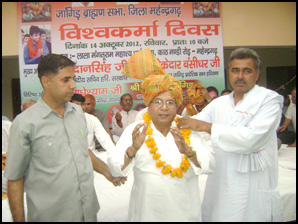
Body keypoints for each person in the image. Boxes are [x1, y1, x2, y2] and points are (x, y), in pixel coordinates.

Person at [4, 54, 126, 222]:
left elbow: (82, 152)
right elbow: (14, 178)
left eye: (74, 78)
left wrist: (108, 173)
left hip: (87, 211)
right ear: (46, 82)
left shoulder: (77, 113)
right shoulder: (25, 123)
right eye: (66, 80)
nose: (73, 85)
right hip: (52, 216)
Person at [177, 48, 284, 222]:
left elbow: (251, 139)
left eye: (247, 70)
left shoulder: (269, 100)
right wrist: (163, 114)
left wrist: (205, 126)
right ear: (230, 73)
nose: (240, 76)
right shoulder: (219, 103)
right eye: (235, 70)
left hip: (254, 186)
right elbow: (192, 123)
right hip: (222, 181)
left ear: (257, 74)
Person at [107, 48, 214, 222]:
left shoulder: (186, 129)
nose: (164, 107)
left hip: (185, 213)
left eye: (170, 102)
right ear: (148, 104)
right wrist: (132, 150)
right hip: (146, 213)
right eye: (158, 102)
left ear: (176, 105)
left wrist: (189, 152)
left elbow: (210, 164)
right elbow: (115, 168)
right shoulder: (136, 130)